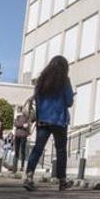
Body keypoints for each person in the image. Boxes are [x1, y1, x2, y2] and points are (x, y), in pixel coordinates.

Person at [22, 55, 75, 192]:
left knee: (38, 148)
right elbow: (69, 102)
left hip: (43, 120)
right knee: (61, 150)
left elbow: (37, 100)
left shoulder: (41, 80)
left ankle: (29, 176)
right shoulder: (64, 80)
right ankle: (62, 181)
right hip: (59, 120)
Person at [13, 106, 31, 173]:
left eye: (25, 111)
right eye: (23, 110)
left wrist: (25, 127)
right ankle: (15, 166)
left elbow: (28, 126)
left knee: (23, 151)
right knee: (16, 151)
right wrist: (22, 125)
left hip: (24, 136)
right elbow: (15, 124)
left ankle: (22, 166)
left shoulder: (27, 118)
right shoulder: (18, 117)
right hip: (17, 135)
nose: (24, 112)